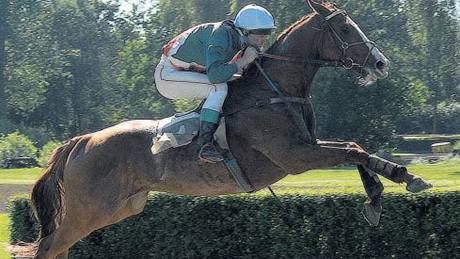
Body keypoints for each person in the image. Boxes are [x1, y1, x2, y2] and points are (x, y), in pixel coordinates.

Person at [154, 4, 275, 163]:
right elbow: (216, 76)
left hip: (187, 72)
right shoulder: (221, 36)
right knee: (218, 88)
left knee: (235, 85)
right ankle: (204, 145)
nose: (263, 39)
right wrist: (244, 60)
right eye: (259, 34)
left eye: (267, 33)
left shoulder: (237, 38)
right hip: (168, 75)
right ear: (245, 31)